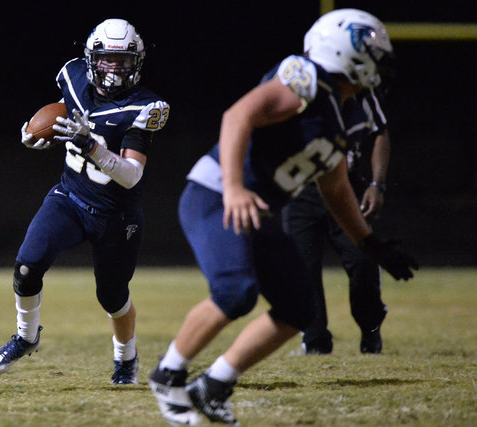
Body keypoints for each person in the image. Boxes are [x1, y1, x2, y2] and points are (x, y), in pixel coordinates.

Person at [149, 9, 416, 425]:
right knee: (236, 291)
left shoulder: (345, 112)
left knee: (298, 307)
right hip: (216, 193)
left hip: (255, 209)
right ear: (348, 50)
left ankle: (213, 386)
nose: (380, 67)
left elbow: (335, 186)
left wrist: (368, 242)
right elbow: (238, 116)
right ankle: (168, 375)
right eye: (374, 55)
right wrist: (235, 186)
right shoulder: (306, 79)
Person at [0, 18, 170, 385]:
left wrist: (92, 146)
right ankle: (26, 336)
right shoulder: (73, 76)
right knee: (26, 266)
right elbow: (63, 108)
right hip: (70, 197)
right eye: (107, 60)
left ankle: (126, 358)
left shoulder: (145, 107)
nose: (114, 69)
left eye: (123, 61)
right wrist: (37, 132)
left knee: (113, 298)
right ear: (91, 60)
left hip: (115, 215)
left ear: (137, 62)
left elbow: (132, 174)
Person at [282, 36, 393, 354]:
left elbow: (380, 131)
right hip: (303, 192)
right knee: (302, 270)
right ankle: (314, 342)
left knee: (363, 263)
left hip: (346, 189)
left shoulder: (357, 89)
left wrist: (377, 183)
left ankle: (371, 327)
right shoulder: (293, 86)